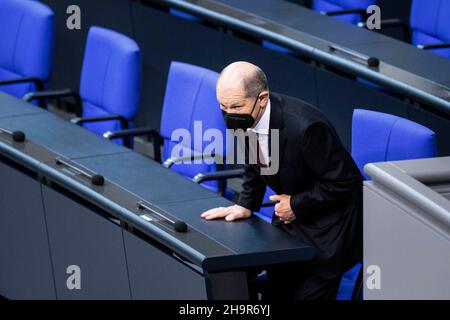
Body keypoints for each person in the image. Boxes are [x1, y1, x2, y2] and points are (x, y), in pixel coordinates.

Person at [201, 61, 363, 300]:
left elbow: (345, 182)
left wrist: (296, 205)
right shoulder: (244, 116)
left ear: (262, 99)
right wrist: (245, 203)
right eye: (223, 107)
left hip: (329, 230)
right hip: (290, 226)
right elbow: (254, 160)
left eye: (235, 106)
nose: (229, 115)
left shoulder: (306, 128)